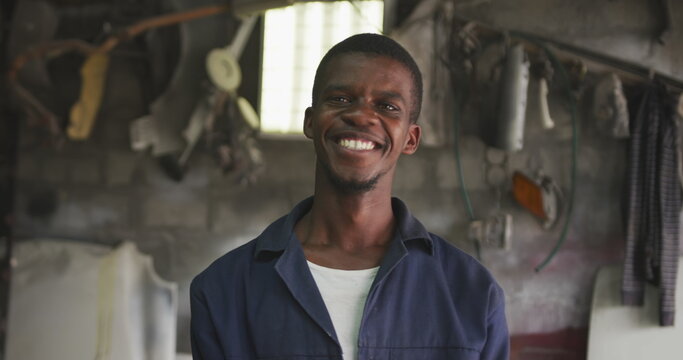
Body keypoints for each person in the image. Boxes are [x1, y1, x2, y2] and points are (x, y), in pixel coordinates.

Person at [190, 33, 509, 360]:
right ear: (311, 122)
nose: (361, 116)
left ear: (410, 139)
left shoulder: (472, 294)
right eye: (341, 99)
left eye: (387, 106)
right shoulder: (223, 290)